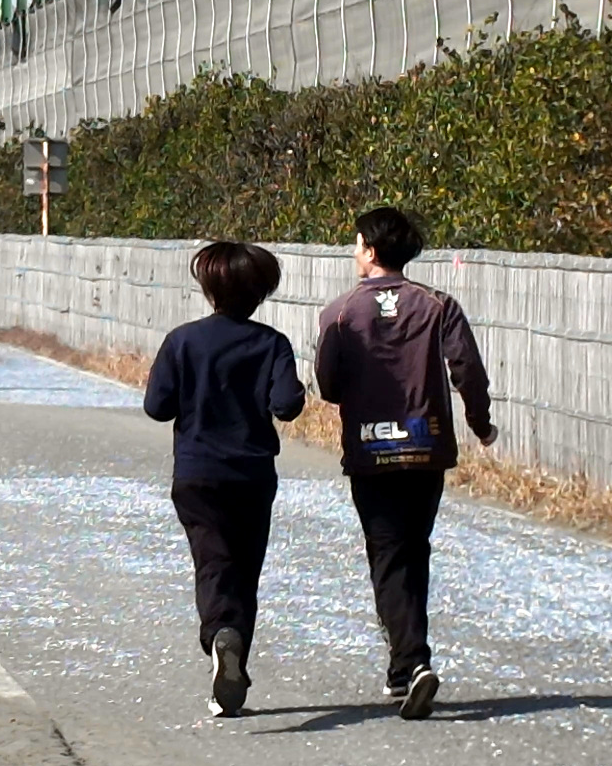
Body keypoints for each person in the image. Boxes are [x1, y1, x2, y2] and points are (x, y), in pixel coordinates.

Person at [315, 207, 496, 721]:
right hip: (427, 448)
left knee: (388, 553)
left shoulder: (341, 312)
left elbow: (327, 386)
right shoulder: (438, 305)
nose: (354, 253)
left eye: (356, 244)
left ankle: (411, 663)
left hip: (371, 452)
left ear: (370, 250)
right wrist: (481, 425)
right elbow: (469, 372)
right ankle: (405, 665)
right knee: (414, 548)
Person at [143, 241, 305, 719]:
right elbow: (286, 404)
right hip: (252, 475)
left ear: (209, 287)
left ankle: (219, 638)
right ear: (260, 292)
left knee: (213, 563)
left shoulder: (182, 340)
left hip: (197, 472)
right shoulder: (272, 344)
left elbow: (157, 407)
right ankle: (230, 667)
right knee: (245, 571)